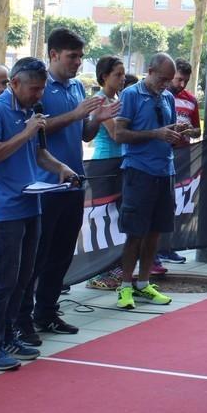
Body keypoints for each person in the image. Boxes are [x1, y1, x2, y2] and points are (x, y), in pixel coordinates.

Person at [0, 57, 78, 371]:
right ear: (15, 83)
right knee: (4, 279)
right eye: (34, 89)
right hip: (4, 207)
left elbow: (38, 152)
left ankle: (8, 336)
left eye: (42, 90)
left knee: (23, 279)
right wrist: (27, 132)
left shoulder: (31, 111)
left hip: (32, 202)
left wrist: (61, 168)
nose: (39, 96)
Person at [16, 28, 116, 345]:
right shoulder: (39, 88)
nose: (78, 62)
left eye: (80, 56)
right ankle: (22, 319)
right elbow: (37, 130)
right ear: (54, 55)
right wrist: (76, 113)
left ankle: (46, 312)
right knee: (37, 255)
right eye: (72, 56)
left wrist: (96, 118)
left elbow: (84, 135)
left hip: (73, 182)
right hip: (44, 185)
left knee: (61, 254)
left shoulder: (76, 87)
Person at [113, 54, 189, 309]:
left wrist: (176, 133)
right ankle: (125, 286)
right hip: (138, 171)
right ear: (149, 71)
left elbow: (164, 132)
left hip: (164, 171)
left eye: (169, 80)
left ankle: (144, 283)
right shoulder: (131, 95)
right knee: (135, 233)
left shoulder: (167, 97)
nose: (166, 84)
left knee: (155, 232)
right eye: (162, 79)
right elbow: (119, 134)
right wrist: (154, 134)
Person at [85, 56, 128, 291]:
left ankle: (114, 267)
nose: (122, 79)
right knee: (102, 217)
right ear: (104, 77)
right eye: (117, 75)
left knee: (117, 217)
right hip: (103, 163)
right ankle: (98, 271)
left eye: (123, 75)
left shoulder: (116, 99)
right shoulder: (100, 100)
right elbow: (115, 133)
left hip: (119, 162)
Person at [156, 58, 201, 264]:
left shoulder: (191, 100)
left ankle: (168, 247)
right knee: (159, 206)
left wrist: (191, 131)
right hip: (160, 157)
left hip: (183, 156)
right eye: (178, 79)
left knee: (177, 204)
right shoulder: (160, 97)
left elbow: (198, 128)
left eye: (185, 81)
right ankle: (156, 250)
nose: (181, 84)